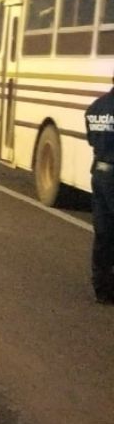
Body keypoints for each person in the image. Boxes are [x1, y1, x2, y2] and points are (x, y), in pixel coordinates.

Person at [85, 80, 114, 303]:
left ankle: (102, 289)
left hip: (99, 174)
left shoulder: (96, 106)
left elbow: (91, 139)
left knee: (103, 232)